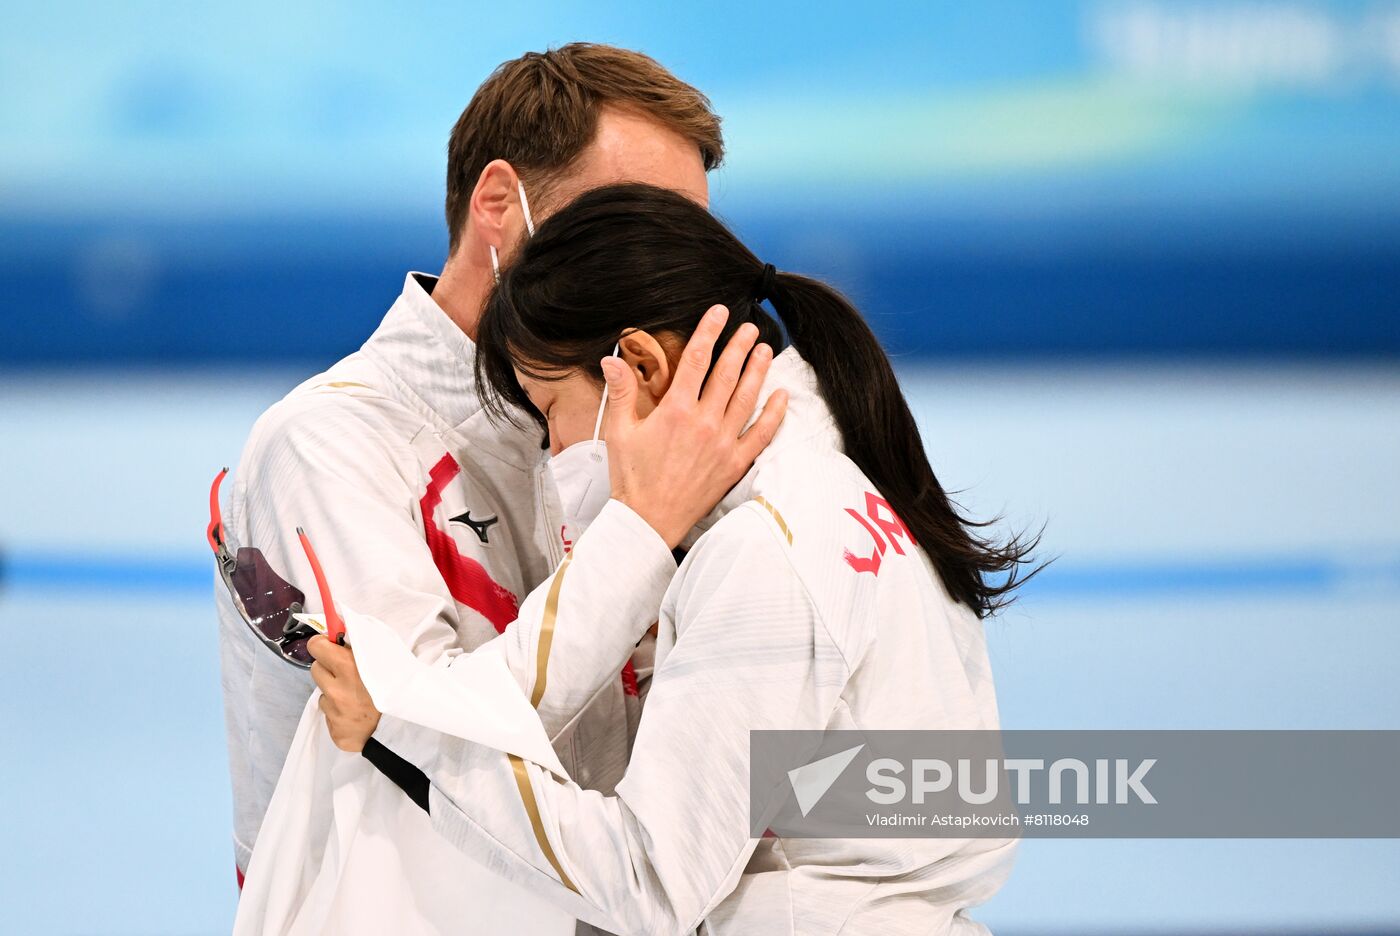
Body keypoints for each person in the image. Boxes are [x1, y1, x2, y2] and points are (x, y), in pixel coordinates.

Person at [313, 183, 1037, 935]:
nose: (552, 452)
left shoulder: (762, 553)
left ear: (640, 367)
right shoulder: (833, 480)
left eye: (550, 407)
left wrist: (406, 733)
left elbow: (648, 879)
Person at [214, 44, 784, 887]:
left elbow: (723, 779)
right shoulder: (327, 443)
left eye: (680, 233)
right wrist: (643, 531)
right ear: (497, 205)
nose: (657, 259)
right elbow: (425, 748)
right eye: (622, 216)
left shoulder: (669, 422)